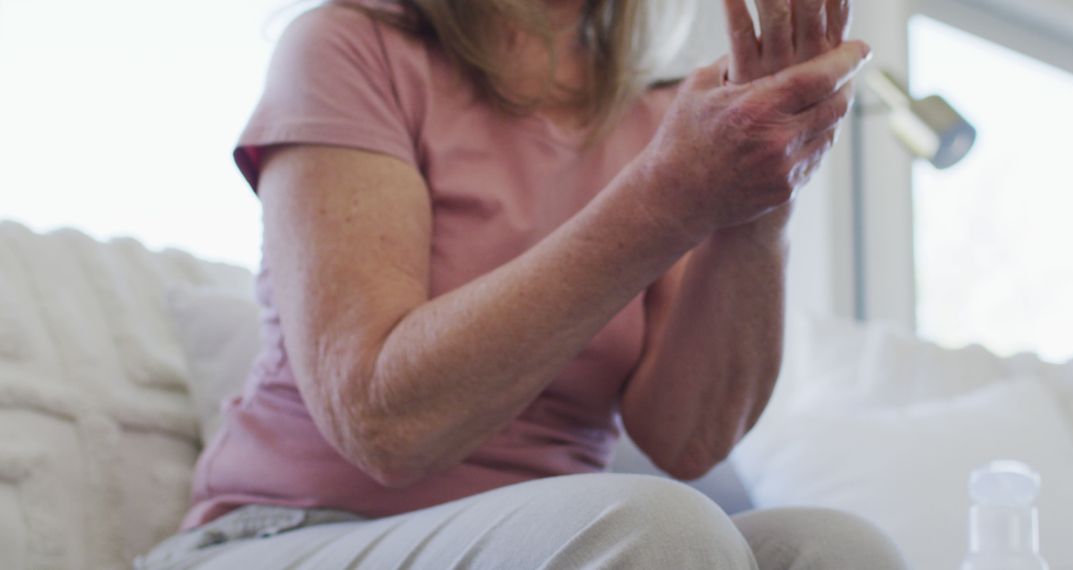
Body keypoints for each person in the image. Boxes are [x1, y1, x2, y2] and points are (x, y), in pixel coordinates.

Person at [137, 0, 907, 568]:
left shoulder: (657, 116)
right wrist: (671, 192)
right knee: (663, 533)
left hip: (549, 536)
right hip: (291, 533)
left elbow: (690, 439)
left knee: (842, 551)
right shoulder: (347, 46)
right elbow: (384, 425)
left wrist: (758, 197)